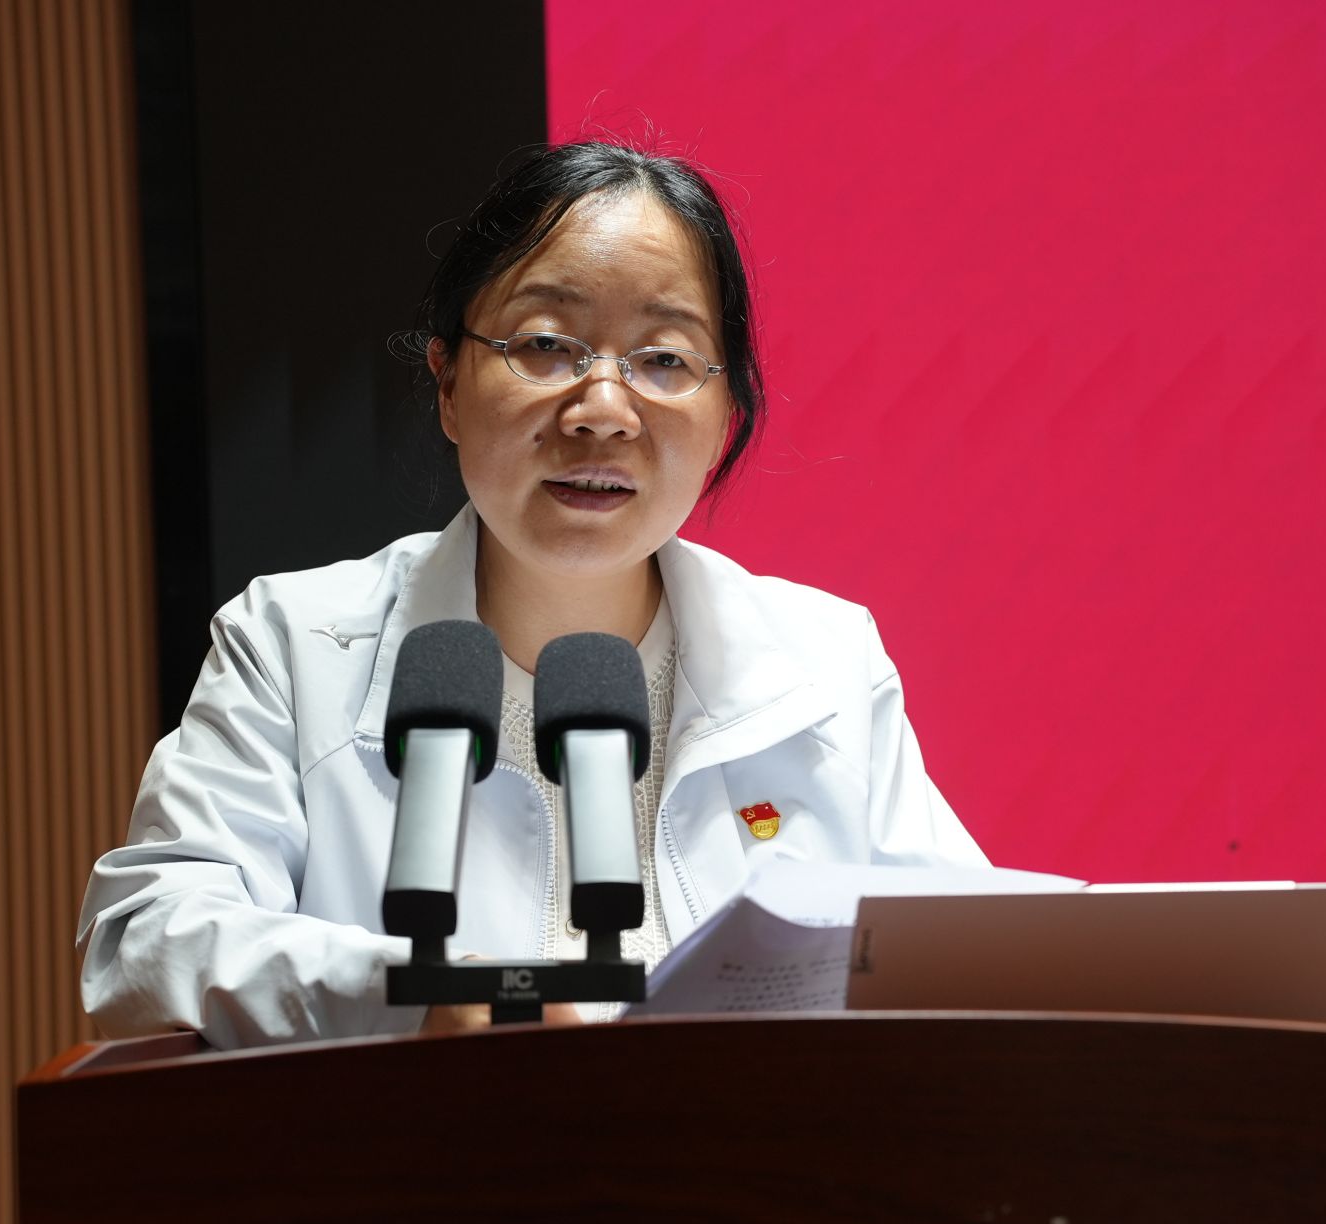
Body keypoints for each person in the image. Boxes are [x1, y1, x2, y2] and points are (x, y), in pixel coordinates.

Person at [76, 141, 986, 1047]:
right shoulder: (294, 644)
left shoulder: (825, 665)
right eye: (547, 345)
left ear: (725, 418)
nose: (603, 411)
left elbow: (976, 965)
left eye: (665, 360)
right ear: (447, 383)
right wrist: (409, 1002)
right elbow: (144, 938)